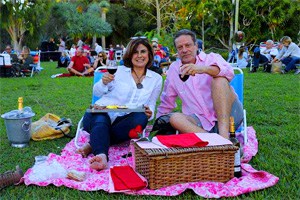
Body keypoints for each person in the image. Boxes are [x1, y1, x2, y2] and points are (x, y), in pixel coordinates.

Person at [76, 38, 163, 170]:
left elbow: (151, 105)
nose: (139, 55)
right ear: (129, 55)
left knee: (141, 118)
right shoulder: (119, 70)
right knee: (100, 117)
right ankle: (101, 155)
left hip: (124, 124)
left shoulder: (156, 79)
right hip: (100, 114)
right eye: (135, 52)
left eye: (143, 51)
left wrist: (149, 113)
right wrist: (103, 82)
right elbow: (97, 92)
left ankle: (94, 143)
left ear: (149, 54)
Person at [156, 29, 243, 139]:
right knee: (175, 118)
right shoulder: (174, 69)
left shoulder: (211, 58)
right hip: (199, 122)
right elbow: (167, 100)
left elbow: (229, 73)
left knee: (219, 80)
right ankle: (216, 142)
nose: (184, 50)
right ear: (176, 50)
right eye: (180, 47)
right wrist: (157, 123)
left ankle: (224, 137)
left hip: (230, 115)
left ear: (196, 46)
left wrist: (203, 69)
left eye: (188, 45)